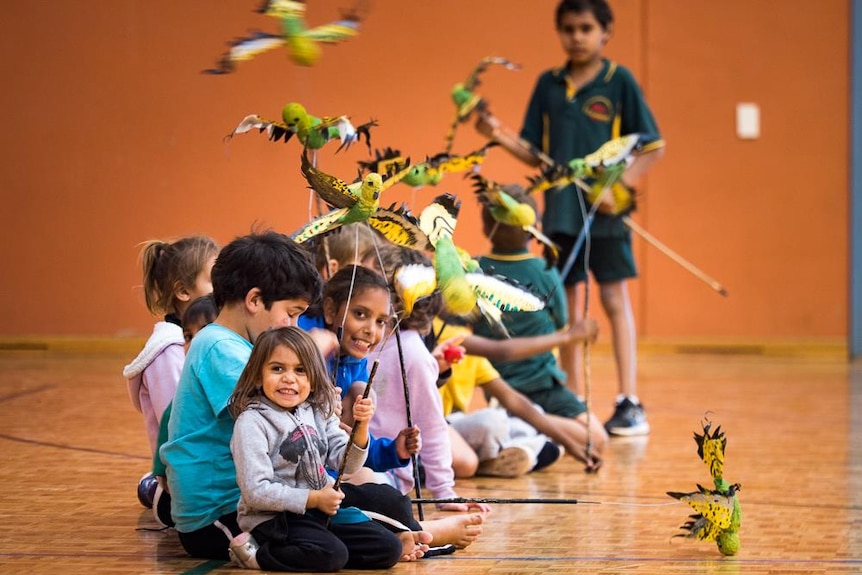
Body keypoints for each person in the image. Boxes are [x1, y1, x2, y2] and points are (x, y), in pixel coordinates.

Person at [475, 0, 665, 436]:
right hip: (561, 212)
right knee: (571, 304)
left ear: (606, 31)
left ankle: (629, 401)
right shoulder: (548, 84)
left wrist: (624, 187)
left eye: (585, 28)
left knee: (614, 301)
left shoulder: (620, 83)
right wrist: (497, 136)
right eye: (568, 29)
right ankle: (575, 402)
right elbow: (535, 154)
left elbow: (652, 146)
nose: (576, 37)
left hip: (604, 211)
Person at [160, 230, 330, 560]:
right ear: (254, 301)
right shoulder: (220, 347)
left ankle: (400, 531)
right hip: (216, 517)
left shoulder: (239, 346)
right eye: (291, 313)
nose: (293, 327)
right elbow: (282, 419)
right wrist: (315, 367)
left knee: (353, 500)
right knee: (328, 535)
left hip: (252, 501)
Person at [227, 327, 428, 571]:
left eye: (300, 370)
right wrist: (313, 499)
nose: (289, 378)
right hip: (273, 518)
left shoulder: (317, 410)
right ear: (258, 376)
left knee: (388, 549)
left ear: (312, 380)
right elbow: (255, 491)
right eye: (277, 368)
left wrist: (361, 426)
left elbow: (348, 463)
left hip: (318, 511)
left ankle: (328, 544)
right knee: (331, 555)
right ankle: (256, 556)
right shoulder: (251, 422)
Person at [470, 187, 608, 471]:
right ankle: (520, 426)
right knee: (596, 438)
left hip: (502, 388)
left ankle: (521, 432)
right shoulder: (545, 271)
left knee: (590, 436)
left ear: (486, 227)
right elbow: (562, 330)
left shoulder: (472, 269)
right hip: (538, 386)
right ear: (534, 231)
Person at [367, 244, 492, 513]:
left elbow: (432, 425)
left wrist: (443, 490)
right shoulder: (356, 339)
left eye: (371, 282)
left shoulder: (412, 354)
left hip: (386, 473)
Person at [299, 265, 422, 482]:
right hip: (297, 475)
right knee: (378, 490)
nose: (371, 330)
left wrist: (394, 451)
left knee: (362, 393)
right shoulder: (304, 340)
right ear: (330, 310)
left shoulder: (356, 363)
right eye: (360, 314)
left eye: (380, 321)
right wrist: (313, 354)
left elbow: (356, 444)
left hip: (335, 473)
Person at [122, 235, 219, 508]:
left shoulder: (210, 337)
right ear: (183, 292)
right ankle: (155, 491)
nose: (223, 287)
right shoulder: (168, 350)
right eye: (214, 279)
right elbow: (179, 422)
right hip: (187, 477)